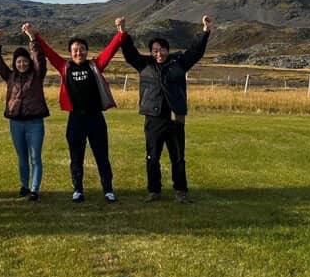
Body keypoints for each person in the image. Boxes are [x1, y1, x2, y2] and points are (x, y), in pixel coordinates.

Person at [117, 15, 212, 204]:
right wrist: (122, 32)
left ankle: (181, 191)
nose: (158, 53)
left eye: (162, 50)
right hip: (153, 118)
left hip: (175, 118)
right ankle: (154, 191)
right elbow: (129, 53)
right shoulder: (144, 65)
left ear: (168, 50)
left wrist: (205, 31)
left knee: (178, 157)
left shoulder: (180, 63)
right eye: (155, 50)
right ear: (151, 52)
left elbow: (195, 51)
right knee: (152, 157)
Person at [32, 23, 124, 203]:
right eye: (75, 50)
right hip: (75, 119)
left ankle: (108, 190)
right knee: (76, 157)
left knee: (102, 156)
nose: (78, 52)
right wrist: (35, 36)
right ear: (70, 52)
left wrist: (120, 33)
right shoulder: (64, 67)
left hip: (96, 118)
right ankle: (78, 190)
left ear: (87, 51)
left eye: (82, 49)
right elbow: (49, 53)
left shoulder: (95, 65)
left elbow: (110, 51)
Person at [0, 25, 49, 202]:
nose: (22, 64)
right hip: (15, 123)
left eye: (24, 61)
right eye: (18, 61)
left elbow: (39, 58)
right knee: (22, 157)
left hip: (35, 123)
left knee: (35, 157)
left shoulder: (37, 75)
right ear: (15, 63)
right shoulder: (10, 77)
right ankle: (24, 185)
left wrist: (32, 37)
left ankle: (34, 189)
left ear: (29, 62)